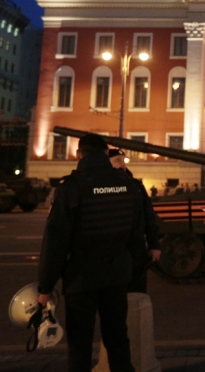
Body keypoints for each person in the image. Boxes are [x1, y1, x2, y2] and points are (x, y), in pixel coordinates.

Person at [37, 133, 141, 372]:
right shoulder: (128, 185)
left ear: (79, 154)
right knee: (118, 341)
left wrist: (45, 287)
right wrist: (133, 273)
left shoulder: (71, 188)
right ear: (106, 154)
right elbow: (136, 235)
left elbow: (55, 242)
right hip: (117, 274)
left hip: (80, 278)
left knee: (79, 347)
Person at [108, 148, 161, 293]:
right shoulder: (102, 186)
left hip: (135, 248)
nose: (122, 164)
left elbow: (149, 216)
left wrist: (154, 245)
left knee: (136, 292)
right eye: (117, 161)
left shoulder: (136, 186)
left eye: (123, 160)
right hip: (111, 249)